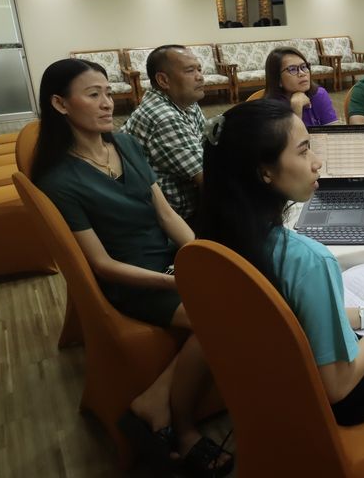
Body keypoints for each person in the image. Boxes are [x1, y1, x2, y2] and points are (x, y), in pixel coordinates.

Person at [32, 59, 233, 476]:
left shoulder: (123, 143)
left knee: (243, 288)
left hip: (168, 261)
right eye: (94, 95)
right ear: (60, 104)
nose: (108, 103)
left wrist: (199, 257)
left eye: (108, 92)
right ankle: (182, 426)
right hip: (133, 281)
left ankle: (152, 401)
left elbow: (166, 213)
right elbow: (102, 264)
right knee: (219, 318)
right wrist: (172, 281)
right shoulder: (58, 179)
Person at [198, 99, 364, 426]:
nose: (317, 162)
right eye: (304, 151)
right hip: (348, 399)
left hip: (278, 387)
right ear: (265, 171)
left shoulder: (213, 240)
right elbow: (338, 386)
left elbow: (296, 319)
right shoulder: (309, 260)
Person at [122, 45, 207, 226]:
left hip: (188, 208)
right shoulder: (164, 117)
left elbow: (208, 146)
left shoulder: (186, 102)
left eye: (199, 69)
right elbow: (208, 179)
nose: (200, 76)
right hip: (172, 221)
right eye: (190, 71)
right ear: (163, 80)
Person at [263, 46, 338, 127]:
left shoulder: (319, 94)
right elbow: (288, 135)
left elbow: (333, 131)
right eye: (292, 69)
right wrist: (296, 107)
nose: (302, 73)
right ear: (278, 79)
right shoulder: (270, 108)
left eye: (304, 67)